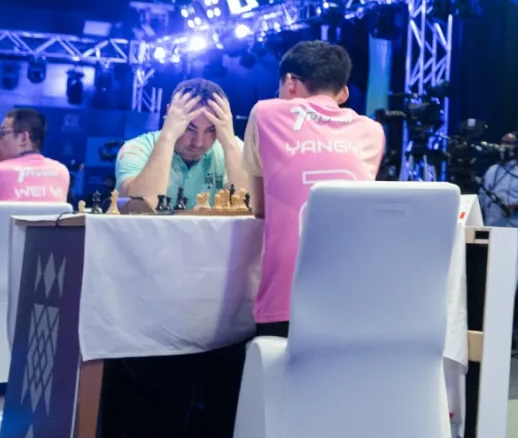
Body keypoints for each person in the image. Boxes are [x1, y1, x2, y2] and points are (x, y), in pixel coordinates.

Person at [242, 41, 384, 335]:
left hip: (285, 299)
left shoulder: (266, 113)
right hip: (357, 297)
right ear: (343, 93)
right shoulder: (372, 131)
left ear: (290, 83)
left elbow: (260, 208)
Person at [116, 79, 247, 209]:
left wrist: (229, 142)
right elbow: (138, 208)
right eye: (189, 128)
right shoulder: (137, 148)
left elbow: (248, 205)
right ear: (169, 114)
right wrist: (168, 138)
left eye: (210, 130)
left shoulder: (234, 148)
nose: (198, 143)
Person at [0, 108, 70, 222]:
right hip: (49, 235)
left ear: (24, 139)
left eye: (2, 134)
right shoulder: (62, 171)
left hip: (2, 234)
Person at [479, 133, 518, 228]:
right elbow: (482, 197)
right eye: (503, 143)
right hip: (492, 224)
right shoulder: (491, 170)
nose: (504, 146)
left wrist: (517, 207)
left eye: (508, 143)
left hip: (516, 225)